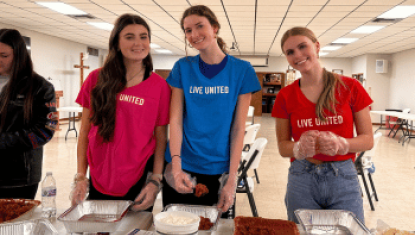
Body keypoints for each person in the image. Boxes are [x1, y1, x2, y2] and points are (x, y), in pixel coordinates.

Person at [162, 5, 261, 218]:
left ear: (214, 28)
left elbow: (238, 129)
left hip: (219, 168)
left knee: (214, 227)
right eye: (188, 30)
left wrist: (232, 178)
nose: (194, 34)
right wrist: (176, 167)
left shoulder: (242, 70)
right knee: (175, 226)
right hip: (182, 164)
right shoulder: (183, 67)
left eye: (200, 26)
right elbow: (176, 121)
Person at [272, 26, 374, 224]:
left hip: (343, 176)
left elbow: (368, 140)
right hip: (302, 177)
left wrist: (343, 144)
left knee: (350, 229)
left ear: (317, 46)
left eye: (303, 46)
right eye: (290, 52)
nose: (298, 55)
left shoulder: (351, 87)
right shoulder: (285, 96)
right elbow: (283, 147)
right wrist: (298, 148)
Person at [71, 14, 171, 212]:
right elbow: (84, 132)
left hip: (139, 176)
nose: (138, 43)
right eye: (129, 37)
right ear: (116, 42)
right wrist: (81, 177)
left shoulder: (159, 86)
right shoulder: (95, 79)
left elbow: (161, 138)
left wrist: (155, 180)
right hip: (100, 174)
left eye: (143, 37)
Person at [0, 29, 56, 199]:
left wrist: (3, 141)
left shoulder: (40, 87)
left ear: (19, 55)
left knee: (15, 224)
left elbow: (45, 131)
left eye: (4, 55)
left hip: (19, 176)